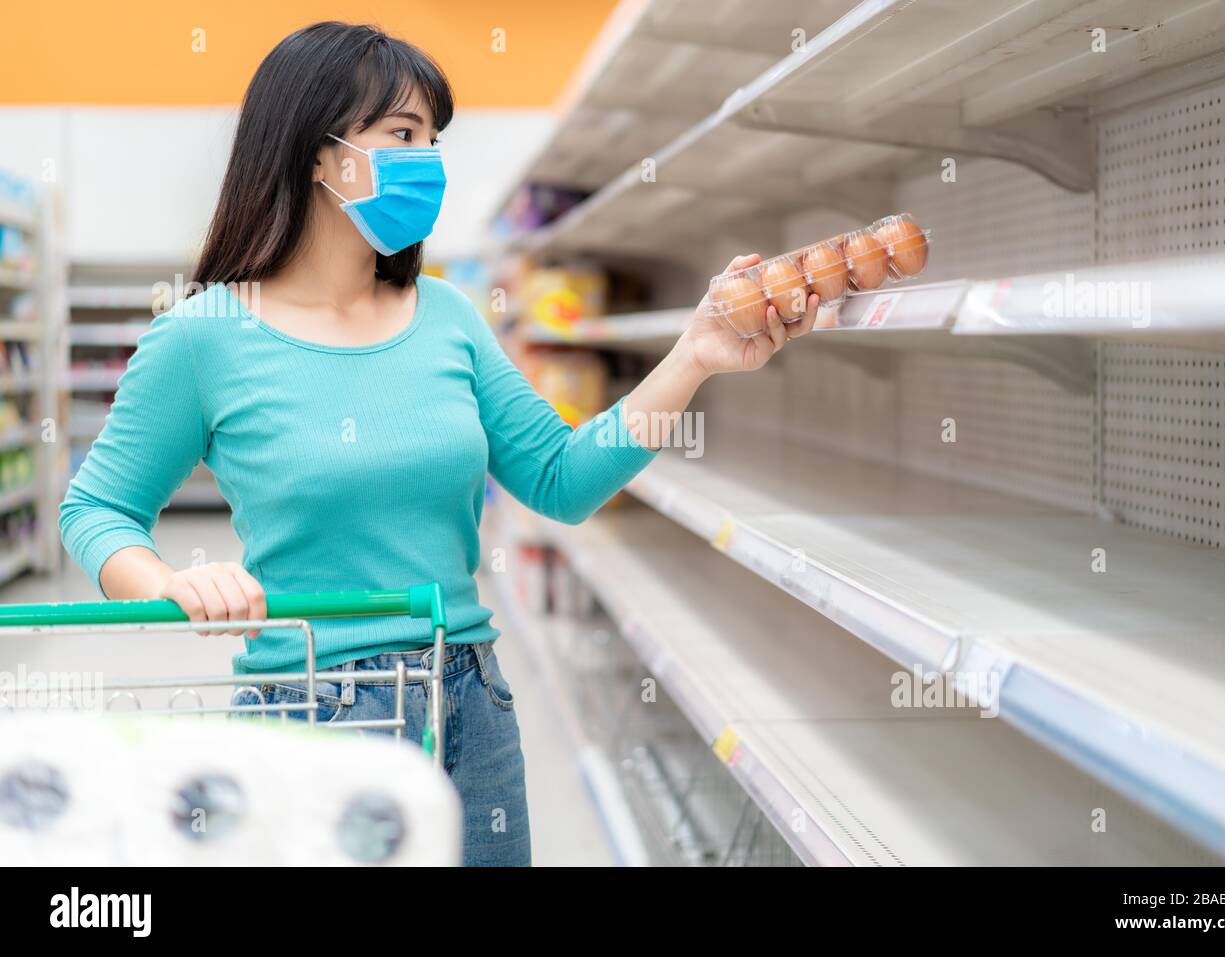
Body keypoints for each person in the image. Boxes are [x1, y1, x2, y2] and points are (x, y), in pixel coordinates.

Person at [58, 21, 820, 867]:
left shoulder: (449, 316)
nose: (429, 163)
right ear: (321, 153)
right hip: (313, 714)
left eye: (433, 140)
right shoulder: (205, 338)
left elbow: (560, 477)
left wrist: (695, 355)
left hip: (472, 704)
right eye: (403, 136)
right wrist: (170, 582)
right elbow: (96, 506)